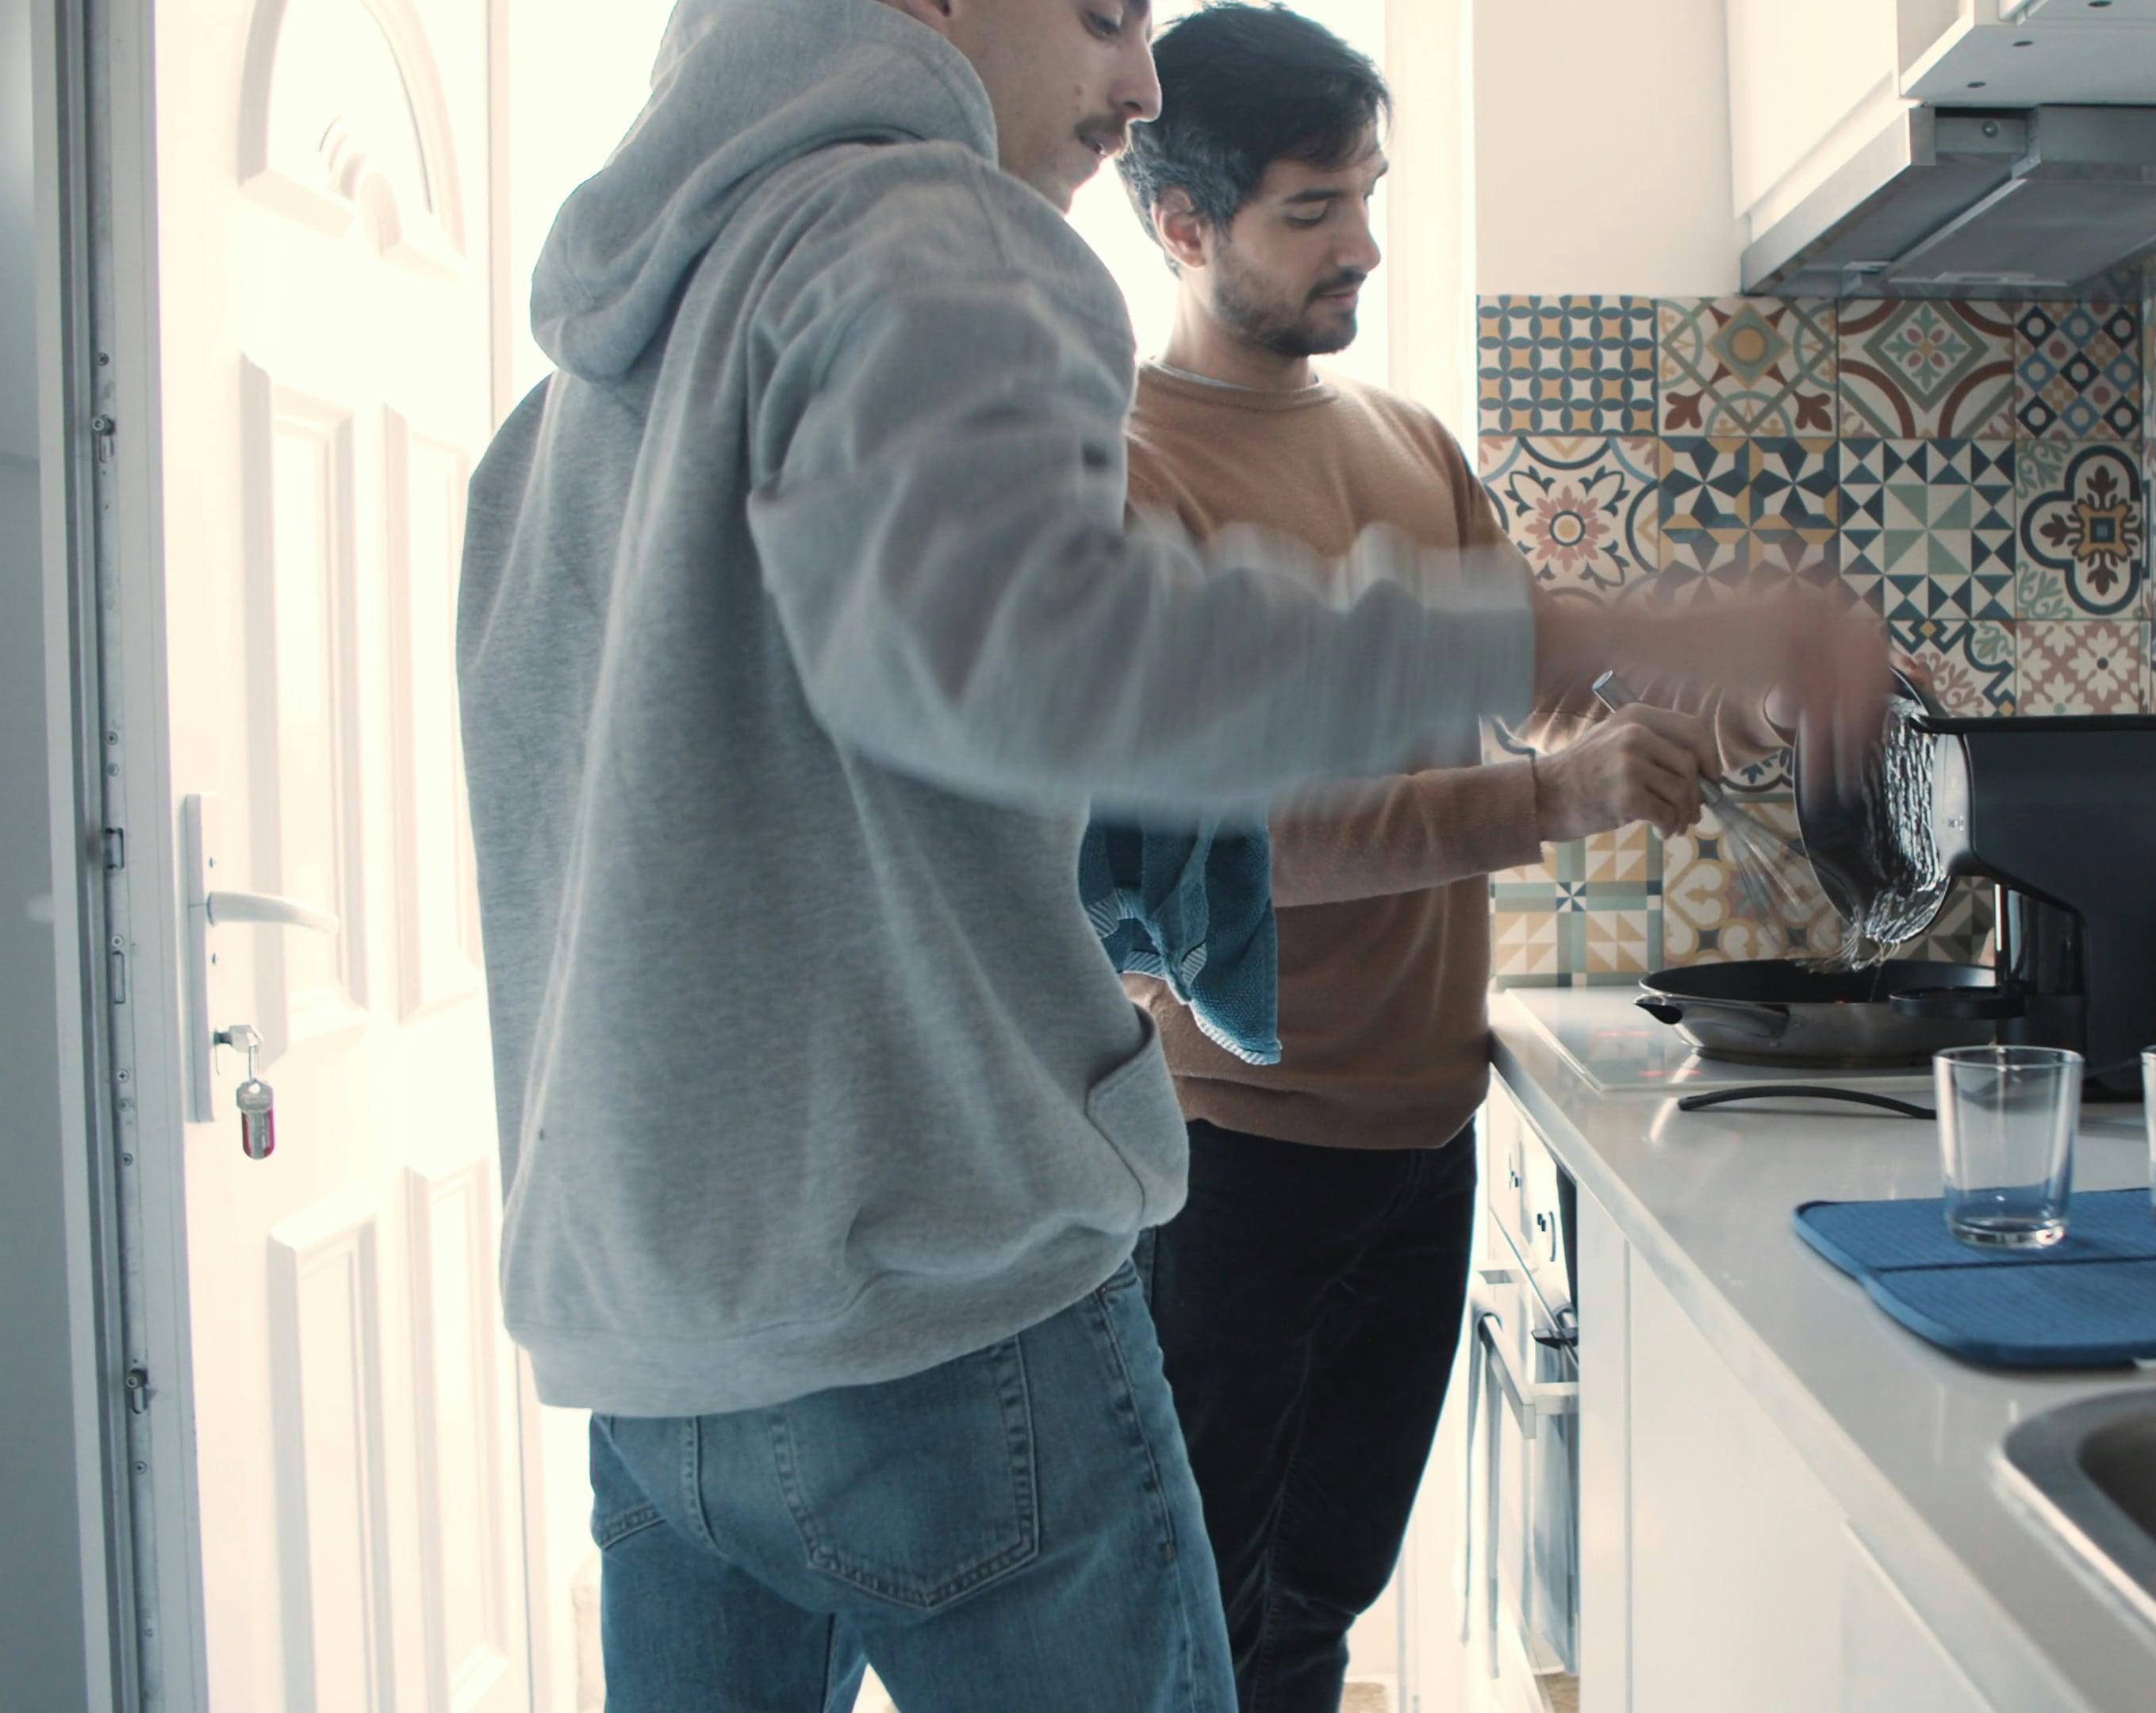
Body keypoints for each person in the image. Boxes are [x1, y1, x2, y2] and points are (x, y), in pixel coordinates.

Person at [454, 1, 1882, 1709]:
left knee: (1310, 1610)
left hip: (652, 1350)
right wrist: (1620, 630)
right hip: (944, 1310)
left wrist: (1689, 690)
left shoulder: (571, 401)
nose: (1137, 83)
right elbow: (1073, 665)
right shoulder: (929, 228)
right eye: (1104, 11)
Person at [1107, 12, 1786, 1710]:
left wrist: (1728, 707)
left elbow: (1552, 682)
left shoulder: (1408, 443)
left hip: (1423, 1139)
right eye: (1311, 209)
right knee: (1197, 1638)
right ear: (1184, 224)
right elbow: (1228, 852)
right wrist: (1547, 803)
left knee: (1320, 1610)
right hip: (1231, 1157)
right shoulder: (1126, 471)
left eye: (1370, 194)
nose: (1364, 242)